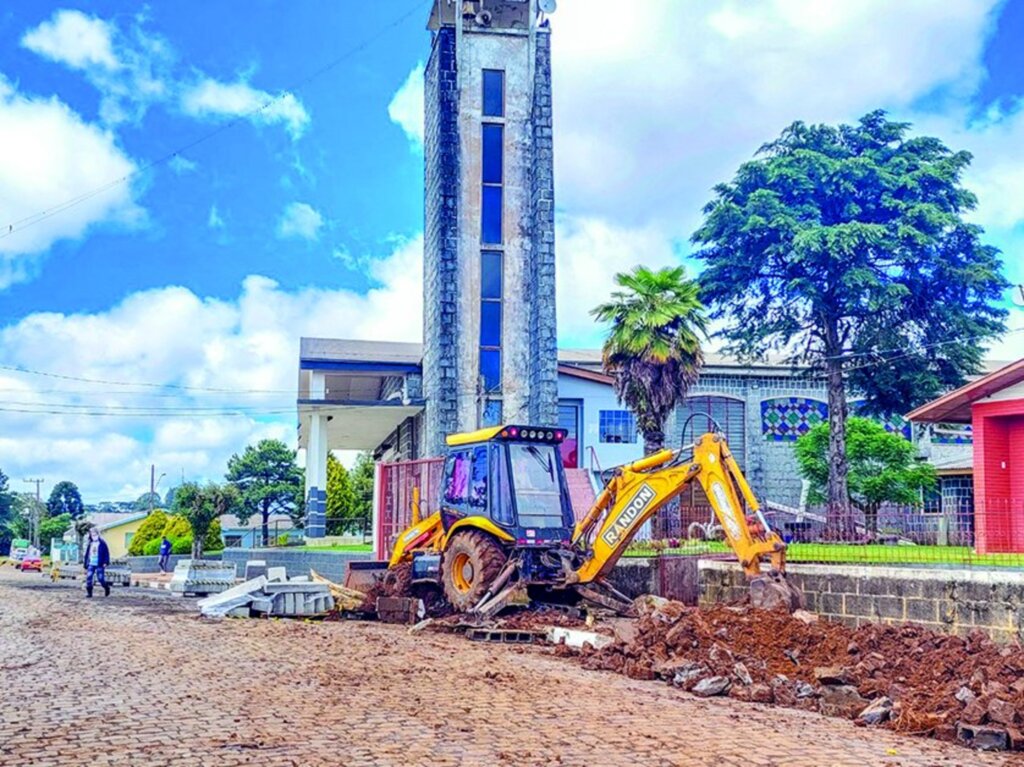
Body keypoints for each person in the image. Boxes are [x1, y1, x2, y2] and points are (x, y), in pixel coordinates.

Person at [82, 527, 111, 598]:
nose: (93, 536)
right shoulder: (90, 544)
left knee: (100, 578)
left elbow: (106, 553)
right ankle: (89, 593)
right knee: (89, 577)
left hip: (100, 563)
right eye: (92, 535)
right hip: (91, 563)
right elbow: (87, 554)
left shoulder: (102, 543)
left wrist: (105, 562)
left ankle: (106, 588)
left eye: (95, 535)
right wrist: (85, 564)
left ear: (98, 534)